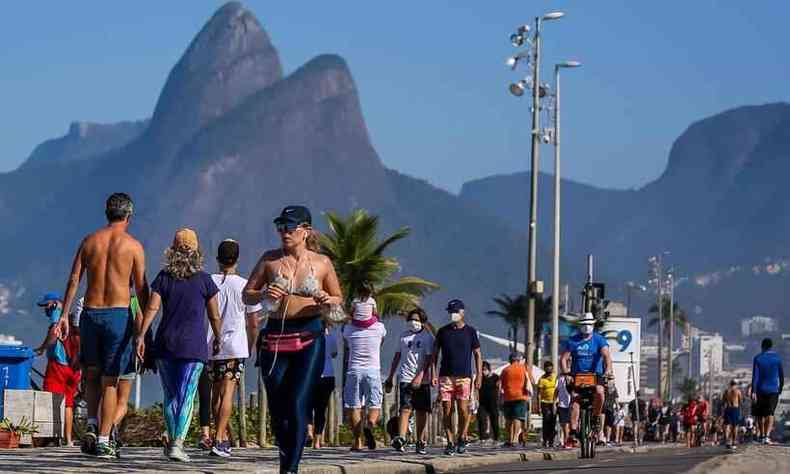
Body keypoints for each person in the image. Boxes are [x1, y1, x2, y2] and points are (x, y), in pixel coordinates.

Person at [243, 205, 343, 474]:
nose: (283, 232)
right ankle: (285, 459)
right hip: (275, 336)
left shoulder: (321, 263)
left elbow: (338, 299)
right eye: (280, 226)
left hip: (309, 335)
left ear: (306, 230)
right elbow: (247, 294)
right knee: (277, 406)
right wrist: (265, 294)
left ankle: (291, 469)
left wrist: (325, 299)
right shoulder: (270, 260)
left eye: (289, 227)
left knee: (298, 401)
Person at [58, 193, 149, 458]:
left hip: (90, 313)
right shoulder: (133, 246)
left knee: (92, 375)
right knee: (111, 381)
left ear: (107, 213)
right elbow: (141, 288)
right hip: (118, 315)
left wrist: (64, 315)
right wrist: (144, 325)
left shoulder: (89, 241)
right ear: (129, 216)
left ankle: (92, 423)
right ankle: (104, 439)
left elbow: (74, 279)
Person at [135, 228, 223, 462]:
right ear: (196, 252)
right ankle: (177, 443)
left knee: (171, 395)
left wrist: (142, 335)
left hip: (166, 345)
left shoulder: (164, 277)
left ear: (172, 251)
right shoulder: (205, 280)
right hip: (193, 347)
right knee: (187, 395)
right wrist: (218, 336)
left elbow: (152, 308)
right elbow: (214, 315)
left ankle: (172, 441)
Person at [203, 239, 262, 457]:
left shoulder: (208, 282)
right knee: (228, 392)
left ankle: (219, 436)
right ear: (237, 259)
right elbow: (253, 322)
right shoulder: (246, 286)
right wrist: (251, 345)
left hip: (211, 345)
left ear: (218, 259)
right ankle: (220, 439)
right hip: (235, 346)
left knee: (215, 394)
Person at [431, 299, 482, 456]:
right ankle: (450, 441)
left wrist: (479, 375)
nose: (452, 315)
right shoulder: (442, 331)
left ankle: (462, 437)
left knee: (462, 408)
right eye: (450, 312)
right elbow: (434, 355)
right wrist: (433, 373)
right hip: (445, 376)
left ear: (462, 312)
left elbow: (477, 354)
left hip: (464, 377)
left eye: (455, 312)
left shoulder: (470, 332)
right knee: (446, 409)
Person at [342, 282, 387, 452]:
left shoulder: (349, 329)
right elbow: (381, 341)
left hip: (354, 370)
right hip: (373, 370)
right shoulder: (379, 328)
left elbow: (347, 342)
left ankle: (358, 441)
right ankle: (370, 423)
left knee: (354, 406)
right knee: (375, 403)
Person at [385, 307, 434, 455]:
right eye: (411, 319)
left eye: (417, 320)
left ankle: (420, 440)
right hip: (405, 378)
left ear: (422, 322)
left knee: (421, 412)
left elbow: (429, 359)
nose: (413, 322)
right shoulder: (403, 336)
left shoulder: (428, 337)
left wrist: (421, 376)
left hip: (422, 380)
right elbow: (397, 357)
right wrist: (390, 376)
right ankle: (401, 438)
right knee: (405, 409)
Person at [559, 312, 613, 447]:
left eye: (589, 324)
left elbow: (606, 356)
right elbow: (564, 359)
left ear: (593, 325)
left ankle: (595, 418)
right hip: (577, 376)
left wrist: (608, 371)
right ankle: (572, 431)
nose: (586, 327)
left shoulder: (599, 339)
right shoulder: (573, 340)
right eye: (583, 324)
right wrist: (566, 373)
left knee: (600, 392)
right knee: (575, 401)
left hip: (595, 375)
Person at [34, 293, 81, 447]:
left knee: (47, 399)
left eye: (46, 305)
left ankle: (46, 437)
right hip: (74, 368)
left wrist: (42, 348)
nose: (45, 309)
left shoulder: (58, 314)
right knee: (68, 403)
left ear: (54, 303)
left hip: (58, 366)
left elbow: (54, 332)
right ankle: (68, 440)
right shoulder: (73, 319)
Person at [307, 323, 339, 449]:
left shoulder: (309, 338)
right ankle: (317, 441)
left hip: (311, 375)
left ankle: (309, 431)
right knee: (321, 409)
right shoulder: (330, 338)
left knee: (307, 406)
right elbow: (334, 353)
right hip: (328, 375)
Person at [751, 338, 785, 444]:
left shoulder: (757, 358)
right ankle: (767, 436)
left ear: (762, 347)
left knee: (760, 414)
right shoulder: (777, 358)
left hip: (760, 390)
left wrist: (753, 391)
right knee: (770, 413)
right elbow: (781, 375)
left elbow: (755, 376)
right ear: (771, 346)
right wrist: (780, 388)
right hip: (773, 390)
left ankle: (761, 435)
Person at [500, 352, 533, 447]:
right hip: (521, 396)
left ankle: (509, 439)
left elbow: (499, 385)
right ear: (519, 360)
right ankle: (515, 439)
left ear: (510, 360)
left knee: (509, 419)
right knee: (517, 418)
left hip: (507, 397)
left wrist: (500, 398)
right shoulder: (524, 368)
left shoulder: (505, 370)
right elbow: (532, 381)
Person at [477, 361, 500, 446]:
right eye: (482, 370)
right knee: (481, 418)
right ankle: (482, 438)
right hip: (482, 402)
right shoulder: (480, 378)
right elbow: (476, 388)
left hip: (493, 402)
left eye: (484, 369)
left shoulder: (495, 377)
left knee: (494, 420)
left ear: (489, 369)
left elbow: (499, 387)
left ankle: (496, 438)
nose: (483, 371)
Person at [537, 360, 558, 448]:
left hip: (554, 402)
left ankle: (551, 440)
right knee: (546, 421)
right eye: (547, 367)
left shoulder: (555, 377)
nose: (549, 369)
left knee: (553, 421)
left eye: (550, 367)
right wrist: (538, 407)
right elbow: (538, 394)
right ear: (545, 369)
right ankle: (545, 440)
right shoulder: (541, 379)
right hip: (544, 402)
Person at [722, 380, 742, 450]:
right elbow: (740, 401)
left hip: (728, 408)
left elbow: (723, 401)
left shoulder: (726, 391)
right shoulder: (738, 391)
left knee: (727, 425)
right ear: (736, 384)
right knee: (735, 426)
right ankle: (733, 442)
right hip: (735, 409)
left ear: (730, 384)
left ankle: (727, 441)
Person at [556, 374, 573, 448]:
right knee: (564, 424)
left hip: (570, 404)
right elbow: (556, 390)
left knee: (568, 424)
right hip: (562, 404)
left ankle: (568, 441)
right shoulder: (560, 379)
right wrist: (554, 402)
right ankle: (566, 441)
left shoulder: (572, 378)